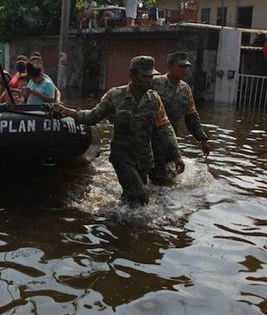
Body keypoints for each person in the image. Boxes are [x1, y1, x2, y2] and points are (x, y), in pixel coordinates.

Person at [54, 55, 185, 206]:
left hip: (144, 159)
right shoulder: (115, 96)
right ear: (132, 75)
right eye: (145, 76)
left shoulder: (154, 99)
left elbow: (165, 127)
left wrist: (176, 154)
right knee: (141, 198)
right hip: (122, 157)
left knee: (130, 200)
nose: (149, 80)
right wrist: (69, 112)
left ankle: (117, 219)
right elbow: (93, 117)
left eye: (151, 76)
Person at [150, 51, 212, 184]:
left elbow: (191, 117)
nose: (185, 70)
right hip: (150, 138)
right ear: (169, 66)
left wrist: (202, 140)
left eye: (186, 67)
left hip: (170, 140)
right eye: (181, 67)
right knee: (157, 176)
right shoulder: (155, 83)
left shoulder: (186, 89)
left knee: (168, 176)